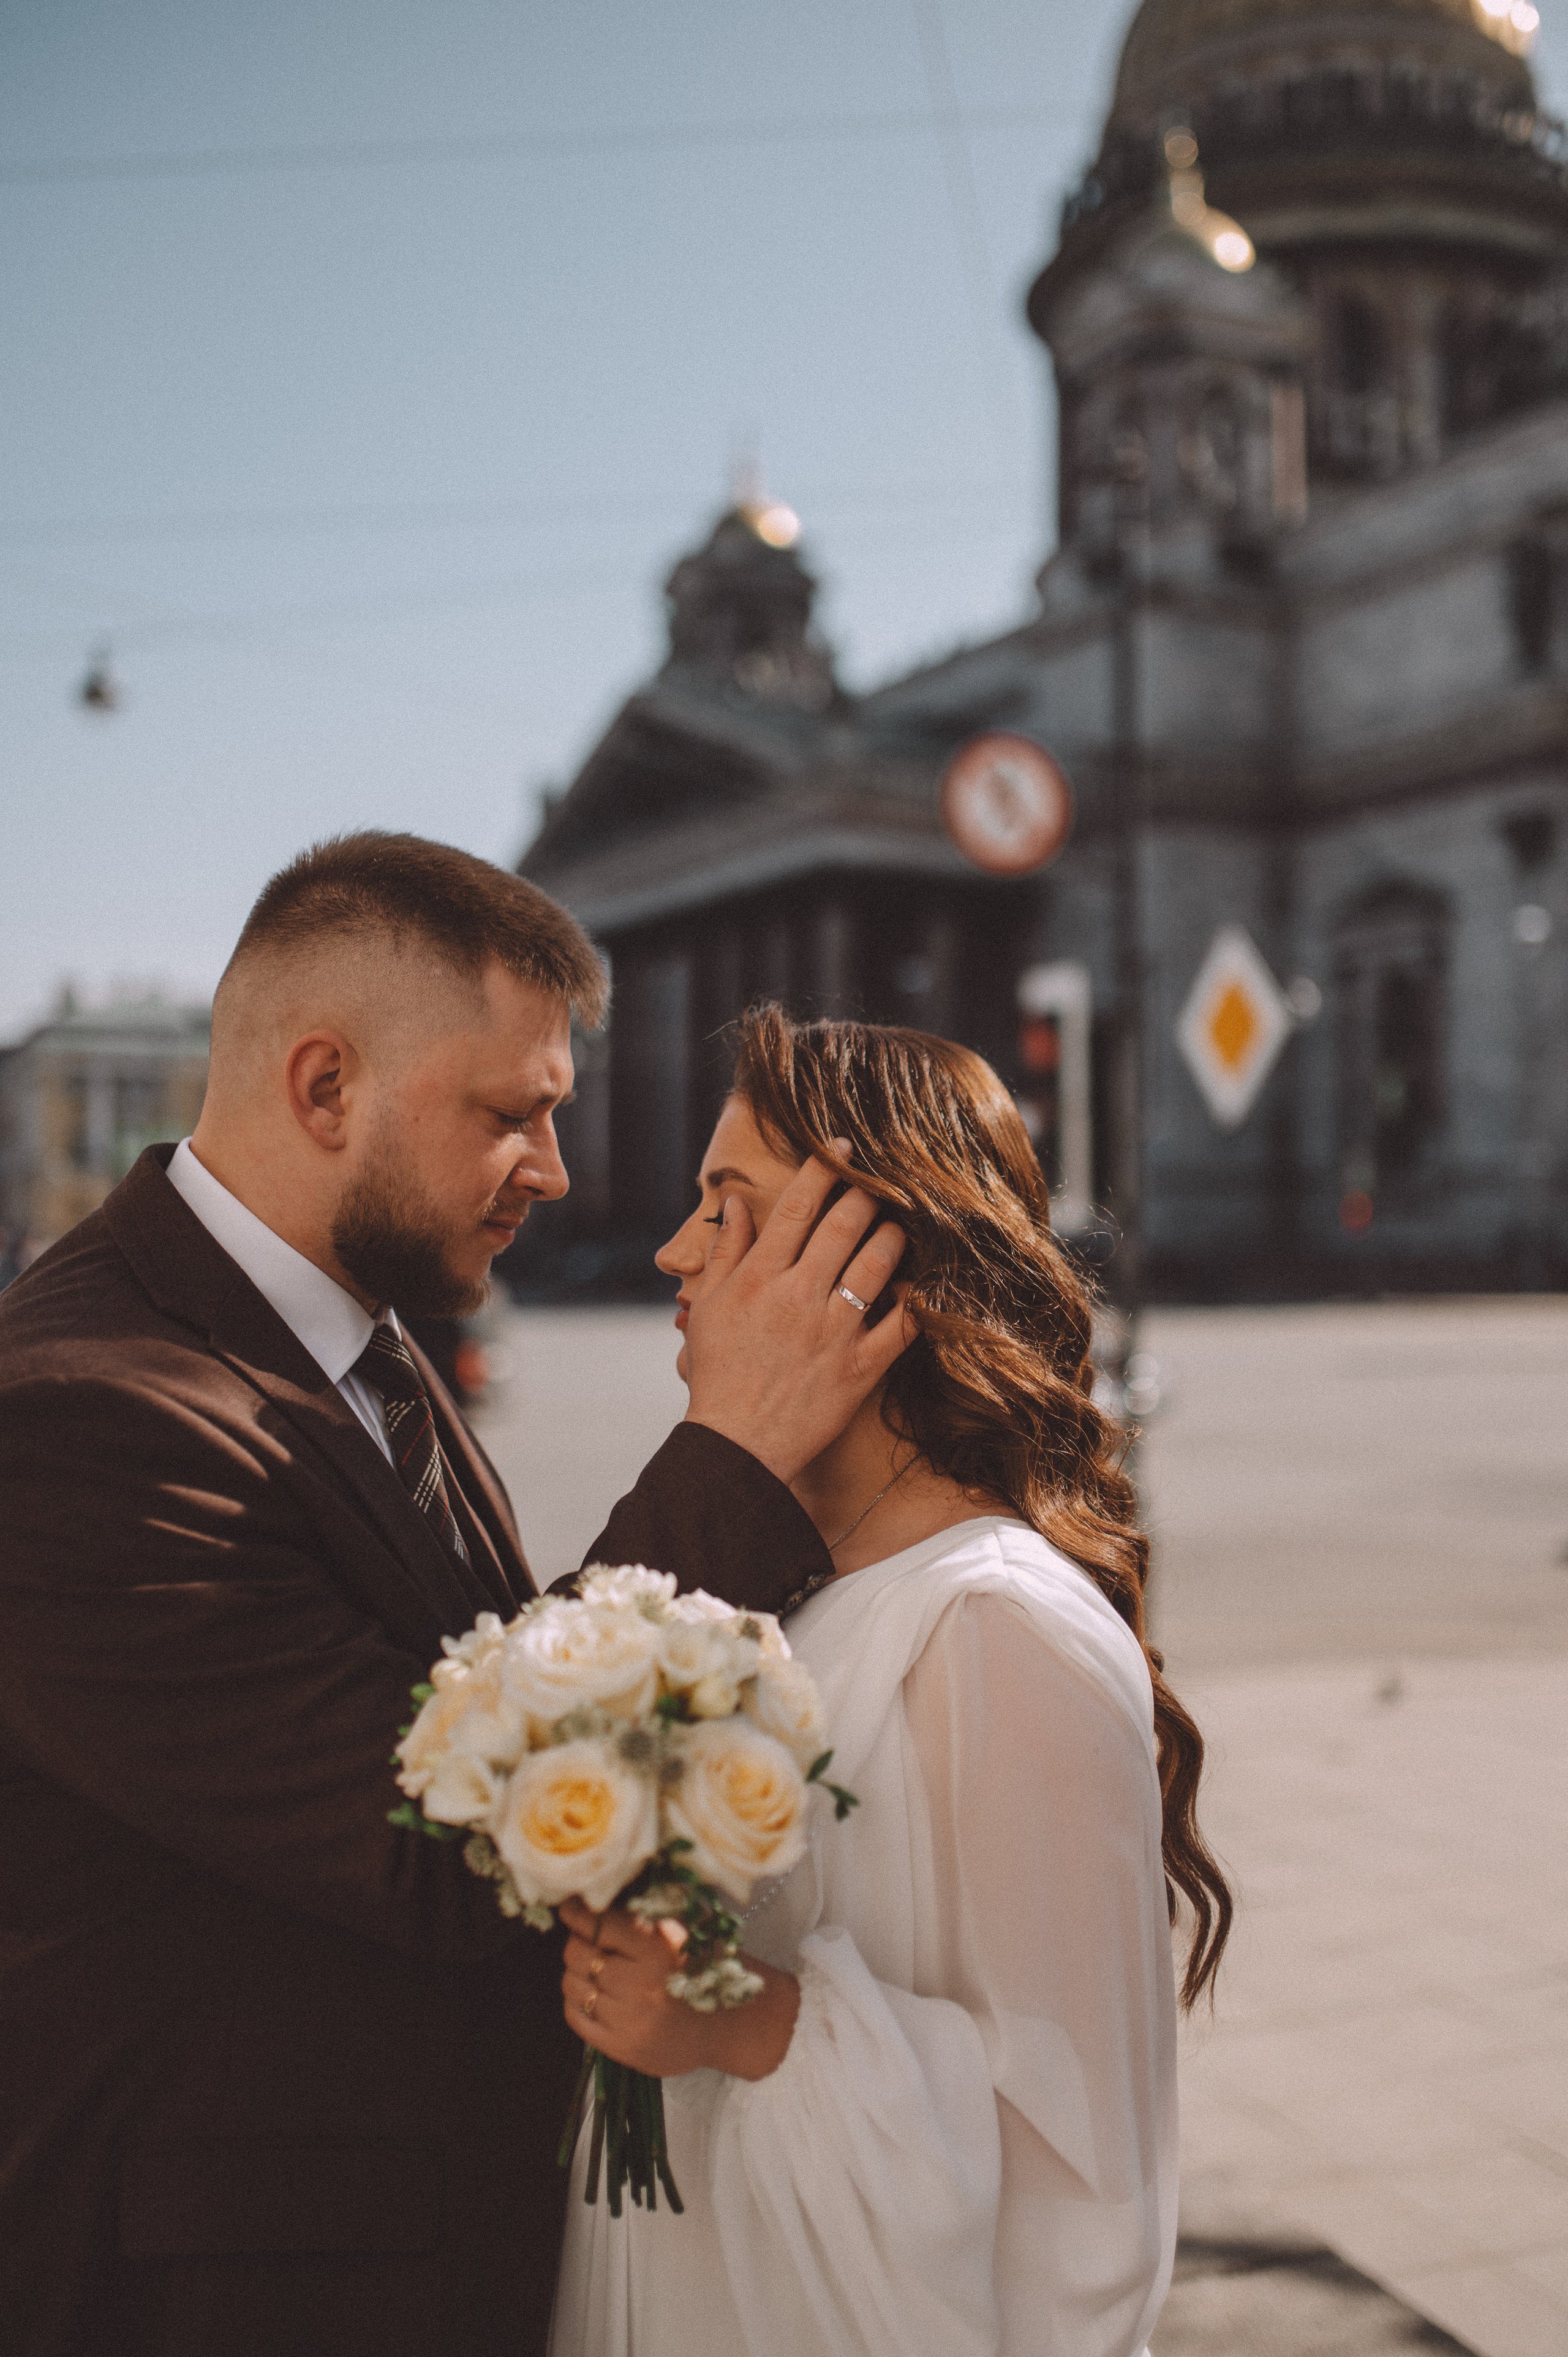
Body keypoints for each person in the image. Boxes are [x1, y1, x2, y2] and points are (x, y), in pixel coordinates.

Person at [0, 837, 914, 2357]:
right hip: (238, 2294)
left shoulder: (353, 1329)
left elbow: (493, 1675)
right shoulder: (87, 1412)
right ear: (323, 1087)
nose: (553, 1169)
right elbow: (436, 1822)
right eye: (513, 1114)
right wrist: (738, 1448)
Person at [549, 1005, 1232, 2357]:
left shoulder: (996, 1628)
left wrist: (755, 2024)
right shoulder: (781, 1579)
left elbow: (1088, 2185)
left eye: (724, 1210)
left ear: (868, 1264)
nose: (672, 1251)